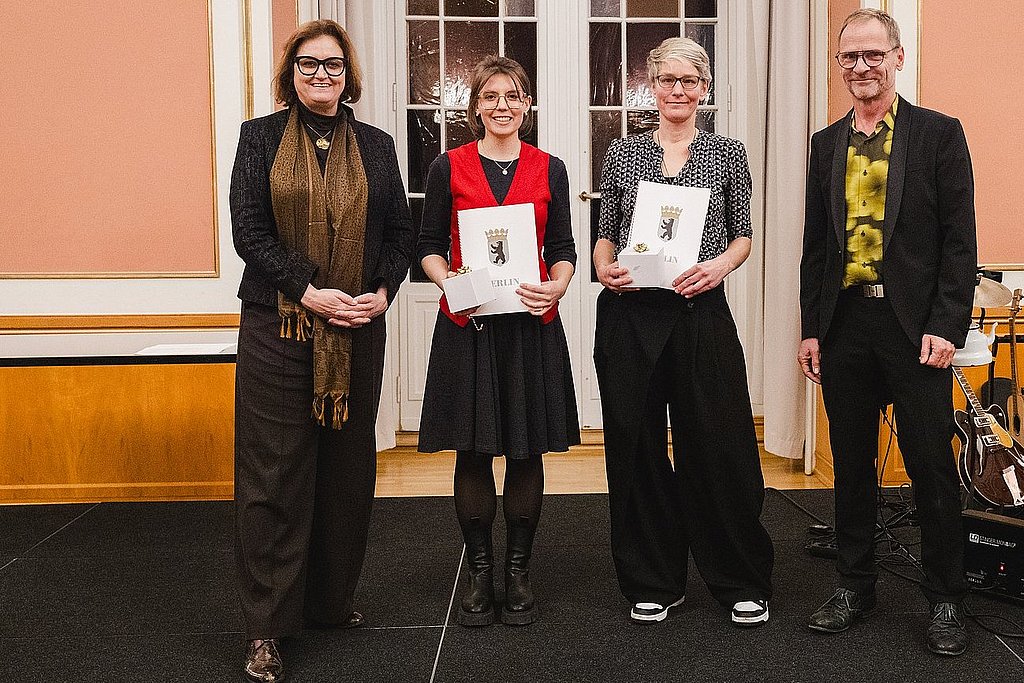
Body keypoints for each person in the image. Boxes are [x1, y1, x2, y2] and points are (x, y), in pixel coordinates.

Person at [229, 19, 413, 682]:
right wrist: (311, 290)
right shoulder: (259, 140)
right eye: (309, 66)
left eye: (333, 66)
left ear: (348, 73)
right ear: (291, 73)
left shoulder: (377, 145)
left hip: (359, 327)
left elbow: (400, 232)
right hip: (280, 327)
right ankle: (266, 629)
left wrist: (383, 292)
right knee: (274, 476)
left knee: (345, 470)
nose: (322, 77)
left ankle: (331, 602)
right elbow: (250, 231)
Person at [799, 8, 976, 656]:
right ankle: (854, 585)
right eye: (851, 57)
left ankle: (948, 597)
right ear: (839, 64)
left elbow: (961, 244)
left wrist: (945, 324)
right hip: (846, 324)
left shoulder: (938, 135)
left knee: (930, 467)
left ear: (898, 58)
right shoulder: (825, 145)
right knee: (850, 466)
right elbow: (815, 246)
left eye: (874, 55)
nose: (862, 67)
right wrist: (811, 328)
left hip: (915, 330)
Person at [592, 37, 774, 627]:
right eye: (667, 80)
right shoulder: (623, 152)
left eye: (689, 81)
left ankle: (739, 578)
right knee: (638, 447)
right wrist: (602, 267)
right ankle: (653, 579)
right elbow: (605, 233)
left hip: (701, 314)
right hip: (631, 317)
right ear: (652, 86)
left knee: (719, 446)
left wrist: (719, 265)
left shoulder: (728, 154)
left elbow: (742, 236)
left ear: (705, 89)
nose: (678, 91)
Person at [417, 55, 580, 627]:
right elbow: (429, 244)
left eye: (512, 95)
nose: (502, 105)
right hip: (470, 328)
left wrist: (556, 287)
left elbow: (563, 248)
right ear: (476, 107)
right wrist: (450, 281)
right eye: (490, 96)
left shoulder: (549, 167)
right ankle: (480, 568)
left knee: (525, 449)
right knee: (474, 449)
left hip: (529, 329)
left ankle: (518, 569)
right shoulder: (448, 167)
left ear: (526, 105)